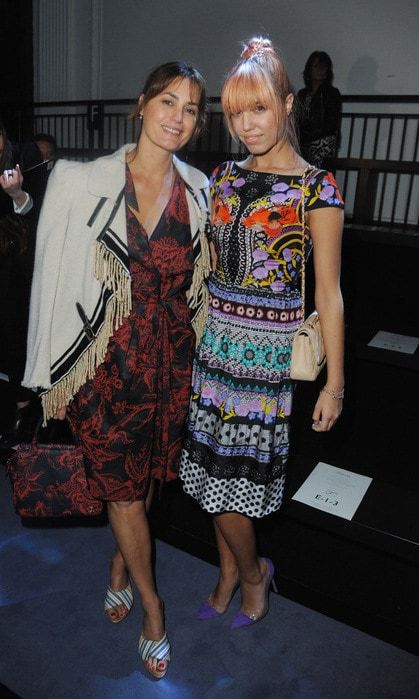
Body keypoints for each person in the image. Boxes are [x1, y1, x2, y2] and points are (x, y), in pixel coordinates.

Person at [23, 61, 211, 679]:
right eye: (167, 101)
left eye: (190, 108)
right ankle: (153, 609)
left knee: (149, 479)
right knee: (126, 491)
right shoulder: (82, 181)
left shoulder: (201, 192)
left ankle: (119, 565)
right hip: (104, 361)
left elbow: (205, 286)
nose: (177, 117)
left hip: (170, 363)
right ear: (141, 103)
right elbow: (48, 279)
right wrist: (47, 374)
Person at [179, 38, 344, 629]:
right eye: (237, 112)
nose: (247, 125)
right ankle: (230, 571)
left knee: (231, 483)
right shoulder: (222, 177)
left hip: (265, 360)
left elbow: (329, 295)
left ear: (287, 104)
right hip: (215, 349)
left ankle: (253, 573)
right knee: (208, 481)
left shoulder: (315, 188)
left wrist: (335, 385)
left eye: (260, 109)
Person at [0, 118, 43, 448]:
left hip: (18, 273)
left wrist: (16, 193)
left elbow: (33, 211)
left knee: (15, 341)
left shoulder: (24, 159)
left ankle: (22, 413)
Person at [297, 51, 342, 168]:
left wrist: (306, 138)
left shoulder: (332, 93)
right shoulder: (302, 94)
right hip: (304, 141)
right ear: (309, 69)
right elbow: (297, 119)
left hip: (322, 141)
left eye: (324, 66)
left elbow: (330, 124)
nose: (320, 70)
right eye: (316, 66)